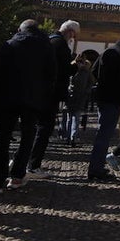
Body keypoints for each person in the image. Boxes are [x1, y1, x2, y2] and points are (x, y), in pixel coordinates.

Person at [0, 19, 56, 193]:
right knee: (27, 137)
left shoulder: (9, 44)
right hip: (32, 99)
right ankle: (17, 176)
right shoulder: (46, 47)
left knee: (1, 138)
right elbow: (51, 75)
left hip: (6, 98)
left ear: (20, 29)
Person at [27, 20, 78, 176]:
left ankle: (21, 161)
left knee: (33, 129)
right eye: (73, 35)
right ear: (69, 32)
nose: (72, 38)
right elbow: (62, 71)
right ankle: (33, 165)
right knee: (44, 130)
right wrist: (75, 65)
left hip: (38, 91)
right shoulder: (61, 46)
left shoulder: (48, 41)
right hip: (50, 94)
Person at [87, 29, 120, 182]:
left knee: (102, 133)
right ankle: (95, 169)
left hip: (103, 97)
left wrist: (102, 85)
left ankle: (96, 167)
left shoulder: (108, 51)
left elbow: (94, 71)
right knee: (104, 134)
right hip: (113, 99)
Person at [63, 53, 95, 146]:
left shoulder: (87, 72)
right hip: (70, 97)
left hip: (80, 98)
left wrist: (86, 91)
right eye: (79, 61)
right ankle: (68, 137)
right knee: (69, 119)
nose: (80, 63)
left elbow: (91, 83)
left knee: (75, 118)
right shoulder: (72, 69)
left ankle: (73, 137)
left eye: (82, 61)